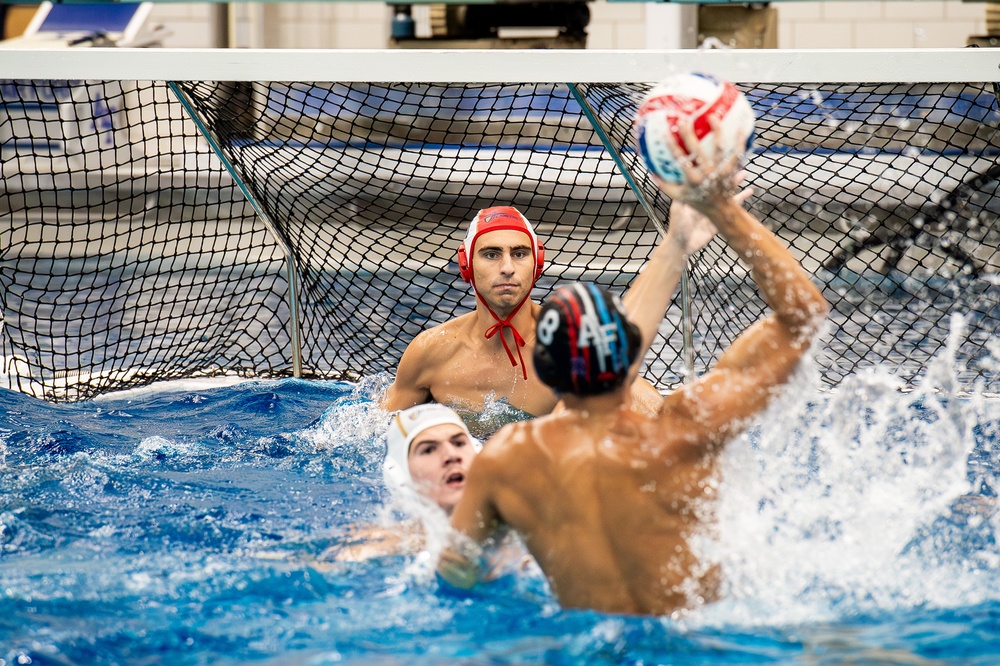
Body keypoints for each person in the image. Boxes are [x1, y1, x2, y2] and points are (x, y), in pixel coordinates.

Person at [436, 136, 829, 615]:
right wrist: (725, 211)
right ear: (628, 356)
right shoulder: (686, 428)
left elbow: (457, 574)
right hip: (697, 640)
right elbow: (803, 315)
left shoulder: (508, 461)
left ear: (546, 369)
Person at [382, 204, 706, 417]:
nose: (507, 267)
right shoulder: (430, 353)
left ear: (537, 263)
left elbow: (632, 389)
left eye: (519, 253)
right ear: (466, 264)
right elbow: (372, 433)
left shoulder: (569, 341)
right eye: (492, 254)